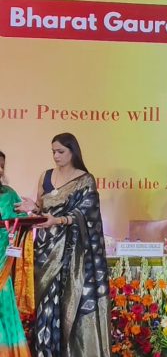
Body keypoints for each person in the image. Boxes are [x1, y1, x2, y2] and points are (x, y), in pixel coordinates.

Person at [15, 133, 111, 357]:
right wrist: (33, 208)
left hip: (72, 254)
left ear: (72, 152)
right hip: (46, 249)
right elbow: (42, 209)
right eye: (53, 152)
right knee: (46, 306)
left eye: (60, 151)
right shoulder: (46, 176)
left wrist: (57, 220)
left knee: (70, 303)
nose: (56, 156)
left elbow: (87, 214)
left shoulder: (85, 180)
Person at [0, 151, 31, 357]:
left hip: (3, 257)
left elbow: (23, 219)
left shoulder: (9, 194)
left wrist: (18, 223)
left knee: (4, 303)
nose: (0, 170)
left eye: (2, 165)